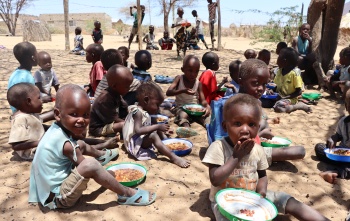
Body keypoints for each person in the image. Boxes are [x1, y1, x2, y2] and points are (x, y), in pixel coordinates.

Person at [202, 93, 329, 221]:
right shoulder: (218, 147)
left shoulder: (257, 150)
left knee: (286, 200)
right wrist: (236, 157)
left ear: (258, 127)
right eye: (238, 123)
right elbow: (215, 179)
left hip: (253, 196)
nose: (245, 129)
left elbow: (262, 175)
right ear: (225, 126)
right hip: (226, 203)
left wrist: (261, 193)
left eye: (251, 124)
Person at [28, 84, 155, 209]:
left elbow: (81, 139)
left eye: (86, 115)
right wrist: (105, 174)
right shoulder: (65, 144)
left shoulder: (56, 130)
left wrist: (80, 129)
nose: (81, 120)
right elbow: (88, 169)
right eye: (74, 114)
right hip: (59, 198)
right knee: (91, 164)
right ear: (57, 114)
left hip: (47, 190)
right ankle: (126, 193)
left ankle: (102, 155)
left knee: (80, 145)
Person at [207, 59, 305, 164]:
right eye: (255, 83)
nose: (260, 88)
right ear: (241, 82)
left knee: (264, 123)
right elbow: (225, 142)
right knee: (299, 151)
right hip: (237, 153)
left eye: (264, 84)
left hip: (250, 144)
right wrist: (262, 134)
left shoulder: (255, 103)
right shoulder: (231, 106)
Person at [123, 82, 190, 168]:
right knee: (153, 135)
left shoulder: (141, 109)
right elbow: (138, 130)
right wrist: (158, 127)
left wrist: (160, 128)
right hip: (133, 145)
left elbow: (149, 124)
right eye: (157, 105)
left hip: (137, 139)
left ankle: (164, 143)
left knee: (155, 124)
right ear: (146, 100)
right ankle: (173, 157)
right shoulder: (138, 113)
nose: (158, 108)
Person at [166, 55, 211, 137]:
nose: (193, 74)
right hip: (181, 107)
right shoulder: (179, 79)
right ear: (183, 69)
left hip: (196, 108)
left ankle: (209, 127)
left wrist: (207, 106)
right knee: (183, 115)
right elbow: (168, 92)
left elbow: (203, 100)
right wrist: (183, 90)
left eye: (196, 71)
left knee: (206, 116)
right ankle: (186, 128)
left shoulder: (198, 83)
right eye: (190, 71)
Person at [315, 89, 350, 184]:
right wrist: (333, 138)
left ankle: (336, 172)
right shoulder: (343, 122)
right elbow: (339, 135)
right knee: (319, 148)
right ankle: (342, 167)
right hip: (342, 154)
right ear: (347, 107)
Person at [89, 65, 133, 137]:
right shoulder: (105, 99)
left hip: (109, 122)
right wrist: (130, 123)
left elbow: (124, 107)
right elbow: (113, 119)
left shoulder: (116, 93)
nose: (129, 88)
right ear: (114, 86)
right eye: (127, 86)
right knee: (123, 125)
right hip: (99, 128)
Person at [7, 83, 44, 160]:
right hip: (33, 152)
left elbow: (39, 126)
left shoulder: (31, 113)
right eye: (39, 98)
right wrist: (39, 142)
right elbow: (15, 146)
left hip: (40, 147)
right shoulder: (20, 119)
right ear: (28, 101)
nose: (42, 101)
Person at [273, 47, 312, 113]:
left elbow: (299, 92)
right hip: (279, 97)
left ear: (284, 61)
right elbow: (275, 86)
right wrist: (271, 91)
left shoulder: (294, 74)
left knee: (280, 106)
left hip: (290, 99)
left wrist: (284, 98)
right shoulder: (279, 71)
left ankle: (298, 106)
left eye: (279, 57)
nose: (277, 59)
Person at [292, 23, 325, 88]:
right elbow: (296, 52)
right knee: (300, 58)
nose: (305, 31)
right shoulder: (296, 39)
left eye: (307, 29)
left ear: (309, 31)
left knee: (314, 57)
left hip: (305, 57)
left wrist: (310, 42)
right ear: (300, 30)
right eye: (303, 29)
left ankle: (317, 81)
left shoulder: (309, 39)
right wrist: (305, 56)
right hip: (298, 57)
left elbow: (309, 52)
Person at [8, 42, 38, 113]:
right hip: (24, 114)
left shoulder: (16, 73)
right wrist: (43, 99)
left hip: (18, 112)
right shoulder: (26, 77)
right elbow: (30, 102)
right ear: (33, 58)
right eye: (36, 52)